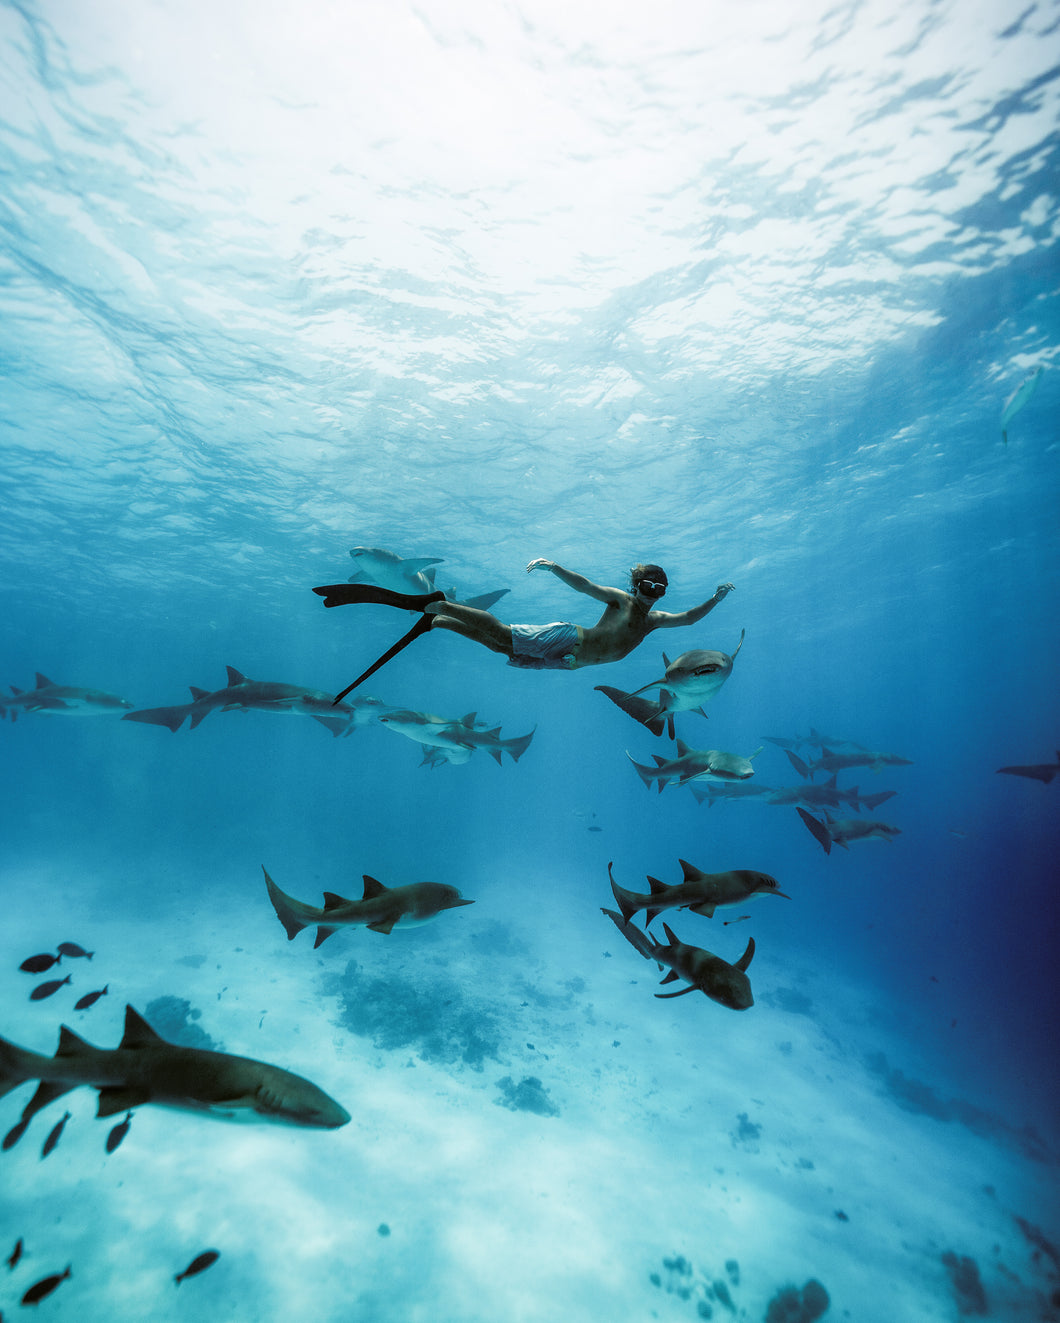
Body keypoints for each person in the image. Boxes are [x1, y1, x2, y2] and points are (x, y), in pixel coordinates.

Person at [314, 562, 734, 695]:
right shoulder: (620, 600)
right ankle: (438, 601)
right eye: (647, 586)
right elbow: (585, 585)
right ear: (634, 585)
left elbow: (691, 619)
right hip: (571, 639)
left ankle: (438, 621)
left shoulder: (657, 620)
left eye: (660, 590)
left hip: (569, 664)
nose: (653, 595)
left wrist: (714, 600)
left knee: (501, 651)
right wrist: (553, 567)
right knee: (501, 634)